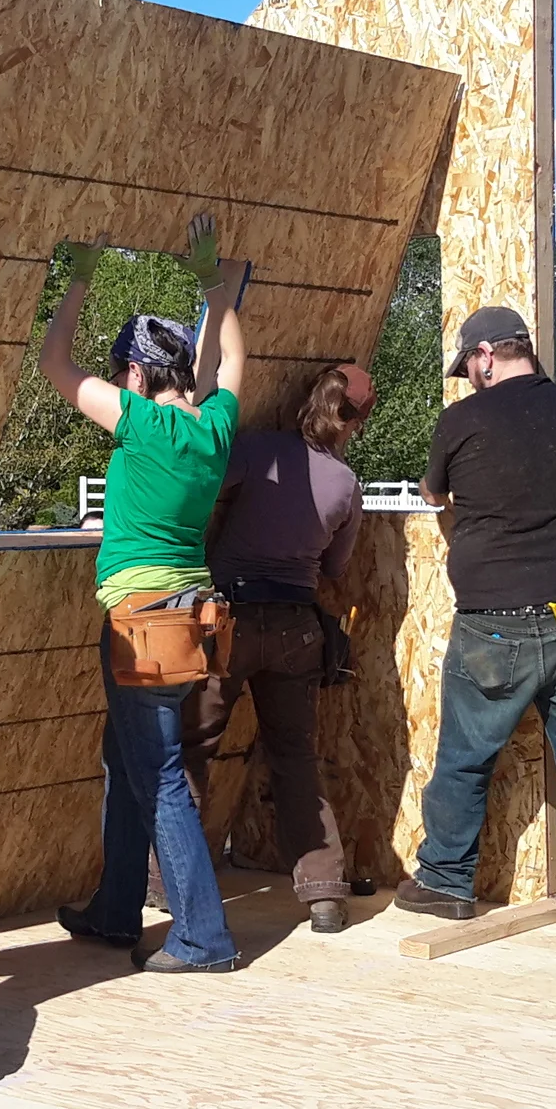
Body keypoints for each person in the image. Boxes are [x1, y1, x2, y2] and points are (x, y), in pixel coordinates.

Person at [39, 216, 246, 974]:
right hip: (190, 622)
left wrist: (81, 276)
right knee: (125, 760)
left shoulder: (139, 423)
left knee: (157, 774)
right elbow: (228, 367)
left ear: (132, 373)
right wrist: (214, 291)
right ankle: (115, 909)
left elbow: (52, 363)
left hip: (138, 623)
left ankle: (202, 937)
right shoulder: (213, 428)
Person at [397, 306, 556, 931]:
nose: (469, 378)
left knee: (466, 756)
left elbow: (432, 494)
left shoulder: (462, 419)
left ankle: (446, 882)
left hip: (495, 614)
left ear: (484, 357)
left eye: (468, 367)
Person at [178, 362, 374, 934]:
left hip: (228, 621)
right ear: (354, 423)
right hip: (295, 627)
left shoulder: (258, 450)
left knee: (194, 749)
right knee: (294, 758)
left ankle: (169, 886)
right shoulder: (345, 485)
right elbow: (335, 567)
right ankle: (324, 894)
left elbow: (206, 484)